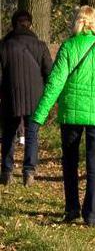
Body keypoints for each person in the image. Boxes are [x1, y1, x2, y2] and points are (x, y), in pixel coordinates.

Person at [32, 6, 95, 226]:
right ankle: (92, 215)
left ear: (78, 23)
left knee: (70, 163)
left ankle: (72, 208)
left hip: (71, 114)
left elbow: (55, 84)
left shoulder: (68, 47)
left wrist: (39, 116)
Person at [0, 10, 52, 186]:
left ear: (14, 24)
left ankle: (7, 171)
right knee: (32, 134)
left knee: (8, 134)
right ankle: (29, 172)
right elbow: (49, 73)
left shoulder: (4, 45)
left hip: (10, 95)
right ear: (30, 25)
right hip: (35, 97)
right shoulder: (40, 45)